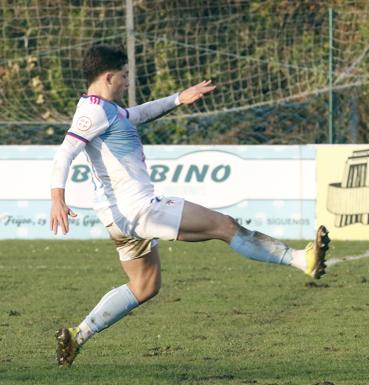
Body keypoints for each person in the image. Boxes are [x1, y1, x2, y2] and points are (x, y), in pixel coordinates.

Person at [50, 45, 330, 367]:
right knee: (224, 225)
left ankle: (77, 335)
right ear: (109, 76)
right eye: (124, 76)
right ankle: (301, 259)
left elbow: (137, 114)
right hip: (140, 209)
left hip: (118, 219)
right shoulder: (94, 111)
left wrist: (177, 99)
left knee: (145, 286)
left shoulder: (106, 109)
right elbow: (65, 153)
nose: (127, 82)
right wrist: (58, 197)